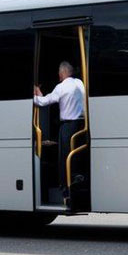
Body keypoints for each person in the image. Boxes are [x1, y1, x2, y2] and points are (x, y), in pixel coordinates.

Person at [33, 61, 85, 189]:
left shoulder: (61, 87)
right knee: (77, 156)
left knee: (65, 157)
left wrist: (34, 96)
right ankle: (77, 180)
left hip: (68, 127)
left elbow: (44, 102)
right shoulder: (80, 83)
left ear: (62, 73)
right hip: (82, 126)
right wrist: (41, 94)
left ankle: (65, 186)